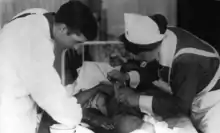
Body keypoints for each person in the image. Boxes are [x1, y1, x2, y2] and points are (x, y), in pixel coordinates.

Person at [108, 13, 220, 133]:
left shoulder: (187, 61)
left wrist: (137, 99)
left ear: (147, 50)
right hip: (190, 102)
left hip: (212, 105)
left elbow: (181, 105)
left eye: (136, 54)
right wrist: (126, 77)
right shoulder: (159, 38)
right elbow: (155, 70)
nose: (135, 58)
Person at [0, 1, 98, 133]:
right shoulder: (36, 42)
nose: (76, 47)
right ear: (62, 28)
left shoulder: (39, 18)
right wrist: (77, 116)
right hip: (9, 111)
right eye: (76, 41)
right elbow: (50, 96)